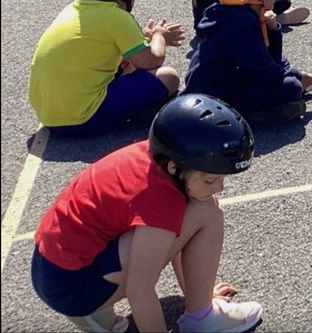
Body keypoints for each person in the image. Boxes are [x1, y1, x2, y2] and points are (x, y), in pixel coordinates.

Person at [31, 94, 263, 333]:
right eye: (210, 179)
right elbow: (139, 290)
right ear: (175, 168)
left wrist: (200, 295)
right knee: (207, 212)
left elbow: (175, 236)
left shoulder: (157, 157)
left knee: (197, 210)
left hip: (52, 272)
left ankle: (198, 311)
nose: (220, 187)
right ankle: (200, 319)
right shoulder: (160, 198)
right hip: (72, 287)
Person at [28, 0, 183, 136]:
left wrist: (143, 39)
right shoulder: (116, 16)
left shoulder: (72, 10)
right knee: (169, 76)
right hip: (83, 118)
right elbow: (151, 61)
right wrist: (159, 36)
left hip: (49, 117)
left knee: (129, 65)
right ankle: (140, 113)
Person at [183, 0, 312, 124]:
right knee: (291, 87)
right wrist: (295, 77)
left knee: (291, 82)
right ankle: (249, 116)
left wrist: (273, 29)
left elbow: (269, 60)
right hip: (212, 99)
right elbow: (263, 70)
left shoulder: (244, 16)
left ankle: (269, 108)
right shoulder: (242, 23)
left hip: (226, 84)